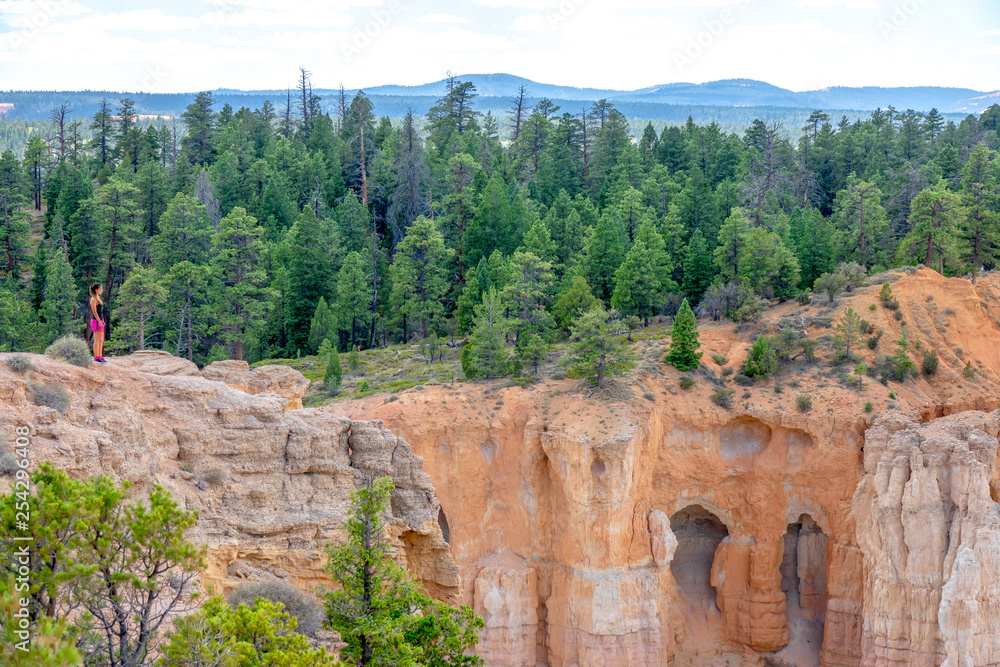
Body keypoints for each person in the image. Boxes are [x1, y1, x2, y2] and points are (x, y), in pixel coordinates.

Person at [89, 283, 107, 363]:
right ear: (96, 290)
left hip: (100, 320)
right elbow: (94, 311)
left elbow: (100, 311)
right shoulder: (93, 299)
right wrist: (99, 320)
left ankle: (100, 356)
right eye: (100, 289)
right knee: (97, 339)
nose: (102, 290)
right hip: (95, 321)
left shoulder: (98, 298)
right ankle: (96, 357)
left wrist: (102, 320)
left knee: (101, 339)